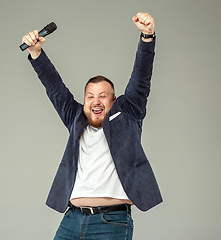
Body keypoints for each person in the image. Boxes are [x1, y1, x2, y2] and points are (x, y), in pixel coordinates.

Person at [22, 12, 162, 240]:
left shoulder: (127, 116)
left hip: (111, 222)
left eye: (103, 96)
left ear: (114, 101)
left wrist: (147, 37)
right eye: (90, 96)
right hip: (72, 220)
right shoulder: (76, 118)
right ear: (84, 101)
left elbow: (141, 79)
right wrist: (36, 52)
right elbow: (55, 88)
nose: (96, 101)